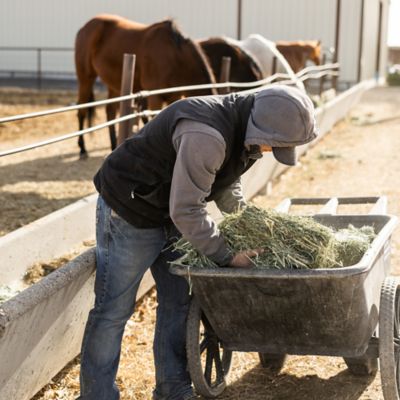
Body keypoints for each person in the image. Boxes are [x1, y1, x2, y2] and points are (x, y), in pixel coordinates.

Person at [77, 85, 318, 400]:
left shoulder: (246, 127)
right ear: (262, 127)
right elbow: (187, 209)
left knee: (179, 302)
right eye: (276, 145)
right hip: (131, 208)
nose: (272, 151)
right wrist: (227, 255)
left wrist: (250, 223)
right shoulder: (206, 136)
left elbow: (225, 182)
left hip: (170, 209)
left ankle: (172, 389)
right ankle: (97, 395)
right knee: (114, 310)